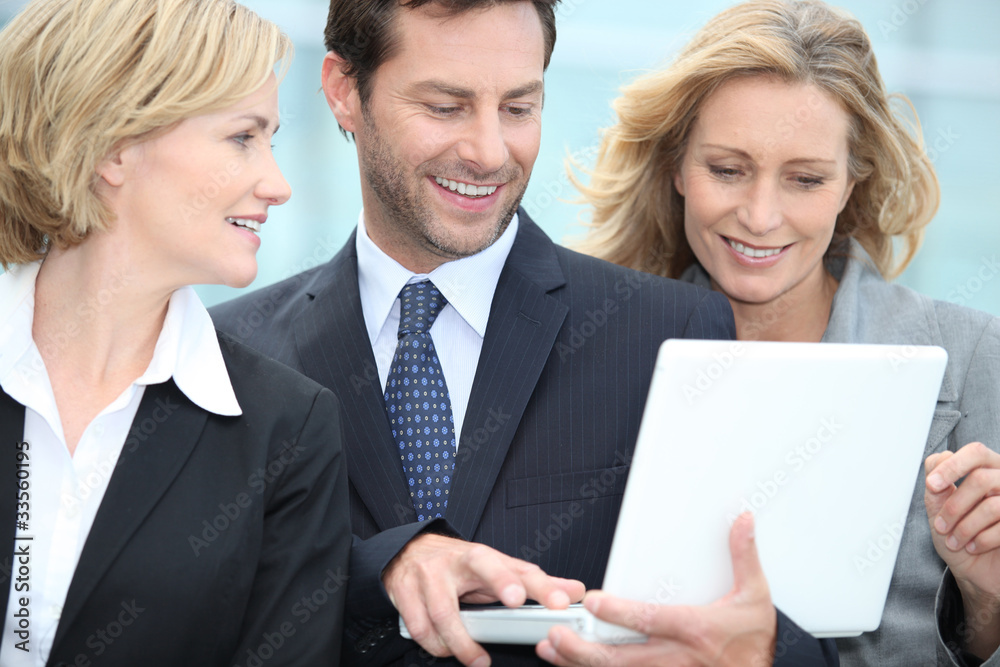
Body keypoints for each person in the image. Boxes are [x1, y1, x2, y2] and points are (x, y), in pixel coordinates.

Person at [211, 0, 839, 666]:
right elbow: (193, 602)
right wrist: (381, 565)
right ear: (344, 91)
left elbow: (767, 622)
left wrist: (768, 649)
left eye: (518, 108)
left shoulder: (671, 334)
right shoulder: (228, 355)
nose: (489, 153)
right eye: (445, 107)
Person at [572, 0, 1000, 665]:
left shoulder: (975, 357)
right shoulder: (593, 352)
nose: (762, 215)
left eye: (805, 179)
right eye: (727, 169)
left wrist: (986, 599)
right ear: (677, 167)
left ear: (849, 186)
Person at [0, 0, 351, 664]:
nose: (277, 184)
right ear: (114, 148)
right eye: (243, 136)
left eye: (271, 140)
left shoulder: (288, 428)